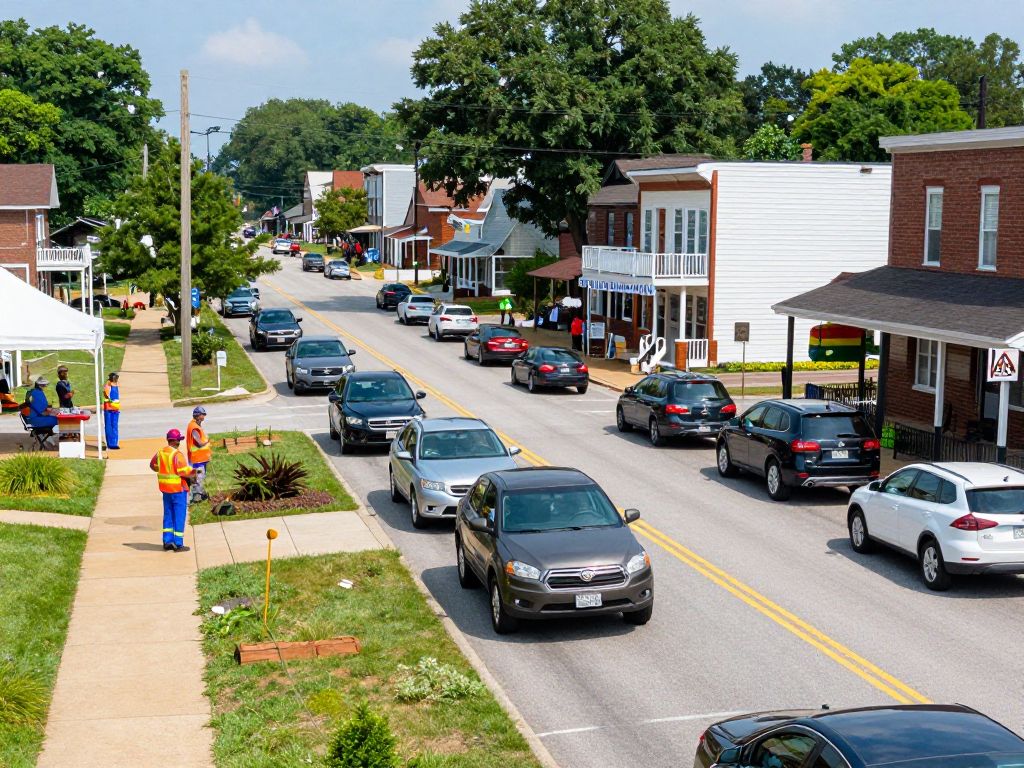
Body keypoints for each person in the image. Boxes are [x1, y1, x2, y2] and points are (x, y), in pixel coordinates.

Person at [150, 429, 196, 552]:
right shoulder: (177, 455)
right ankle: (178, 543)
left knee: (168, 515)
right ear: (176, 441)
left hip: (166, 490)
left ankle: (167, 541)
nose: (179, 443)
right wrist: (195, 472)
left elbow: (153, 465)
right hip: (178, 489)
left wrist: (163, 469)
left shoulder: (160, 453)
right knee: (179, 516)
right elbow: (184, 472)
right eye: (179, 440)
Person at [186, 406, 212, 503]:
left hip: (201, 458)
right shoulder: (194, 427)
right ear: (197, 416)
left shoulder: (196, 425)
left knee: (200, 477)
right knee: (198, 477)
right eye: (202, 415)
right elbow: (198, 443)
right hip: (197, 459)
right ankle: (197, 497)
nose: (203, 417)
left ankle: (201, 494)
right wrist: (207, 441)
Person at [24, 376, 58, 443]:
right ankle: (46, 435)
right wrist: (53, 412)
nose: (45, 386)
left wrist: (51, 411)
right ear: (39, 385)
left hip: (34, 418)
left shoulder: (36, 392)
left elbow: (41, 408)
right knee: (58, 420)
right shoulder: (37, 393)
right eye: (44, 385)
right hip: (36, 419)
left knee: (56, 417)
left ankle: (46, 435)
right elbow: (41, 412)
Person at [103, 372, 121, 450]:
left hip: (115, 409)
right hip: (109, 409)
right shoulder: (108, 385)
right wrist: (110, 405)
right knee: (109, 426)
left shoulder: (115, 386)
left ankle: (114, 442)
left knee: (115, 426)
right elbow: (106, 396)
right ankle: (111, 443)